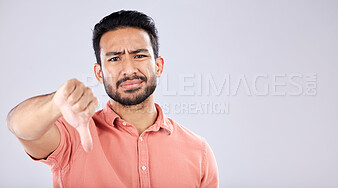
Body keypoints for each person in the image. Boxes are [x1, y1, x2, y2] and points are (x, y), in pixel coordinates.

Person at [6, 10, 218, 188]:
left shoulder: (198, 151)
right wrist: (54, 104)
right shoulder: (73, 136)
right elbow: (19, 126)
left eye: (139, 55)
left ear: (158, 66)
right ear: (99, 73)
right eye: (115, 58)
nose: (128, 69)